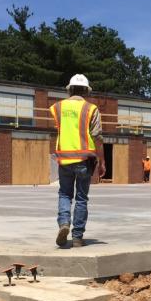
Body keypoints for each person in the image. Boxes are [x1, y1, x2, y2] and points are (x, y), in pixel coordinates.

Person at [49, 74, 105, 248]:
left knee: (65, 194)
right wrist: (102, 161)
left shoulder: (57, 107)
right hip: (84, 160)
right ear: (86, 91)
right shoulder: (91, 109)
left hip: (64, 159)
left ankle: (64, 222)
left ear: (70, 89)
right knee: (81, 198)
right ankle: (78, 237)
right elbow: (97, 137)